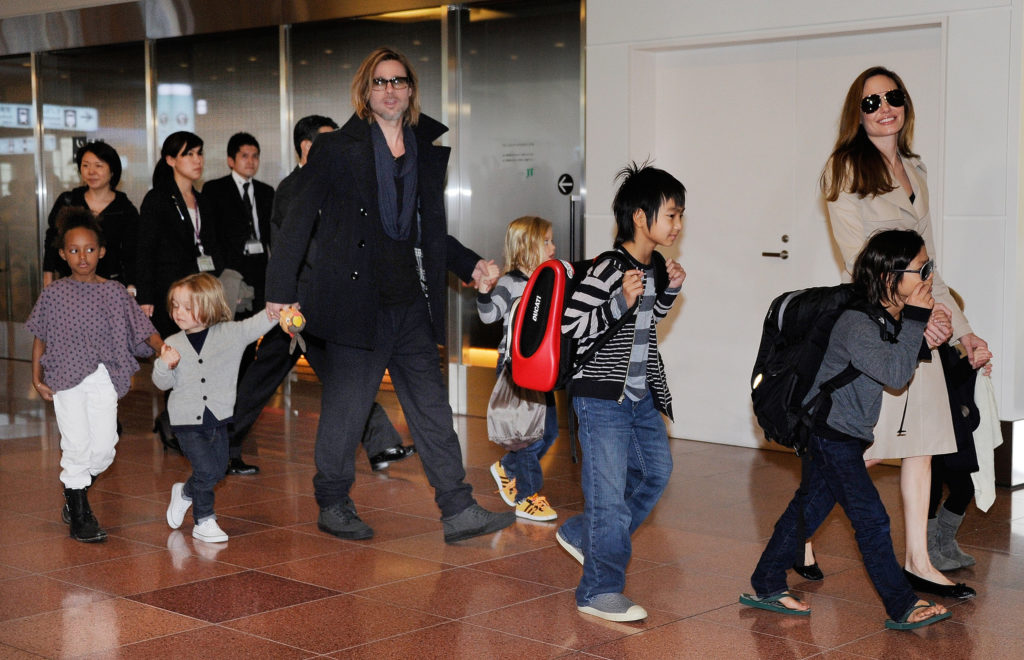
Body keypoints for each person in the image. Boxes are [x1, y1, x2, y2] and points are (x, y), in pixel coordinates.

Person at [265, 47, 513, 544]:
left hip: (409, 303)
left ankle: (458, 508)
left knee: (431, 408)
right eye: (380, 82)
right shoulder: (337, 147)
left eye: (399, 81)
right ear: (366, 91)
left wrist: (470, 264)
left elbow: (428, 229)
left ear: (410, 90)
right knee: (346, 407)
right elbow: (297, 220)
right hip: (356, 303)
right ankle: (333, 502)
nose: (391, 89)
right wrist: (280, 292)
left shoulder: (422, 147)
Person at [813, 65, 991, 598]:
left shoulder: (915, 169)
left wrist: (962, 331)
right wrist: (914, 311)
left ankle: (917, 558)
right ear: (857, 113)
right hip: (886, 325)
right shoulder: (843, 169)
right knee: (860, 447)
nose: (884, 107)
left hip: (924, 324)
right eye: (871, 102)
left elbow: (930, 264)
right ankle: (797, 531)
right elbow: (859, 262)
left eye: (892, 97)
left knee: (924, 444)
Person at [742, 229, 951, 631]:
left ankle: (766, 581)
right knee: (871, 519)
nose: (928, 277)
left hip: (844, 433)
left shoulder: (883, 316)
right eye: (921, 269)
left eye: (930, 267)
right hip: (829, 433)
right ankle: (902, 604)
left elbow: (894, 360)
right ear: (891, 277)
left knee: (807, 509)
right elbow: (895, 374)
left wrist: (920, 327)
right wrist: (917, 320)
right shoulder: (857, 321)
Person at [228, 115, 417, 476]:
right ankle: (220, 446)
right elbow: (294, 248)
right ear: (307, 147)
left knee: (339, 374)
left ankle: (380, 443)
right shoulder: (294, 187)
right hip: (297, 305)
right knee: (266, 376)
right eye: (332, 143)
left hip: (322, 302)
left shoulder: (334, 183)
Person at [554, 163, 686, 622]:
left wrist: (666, 293)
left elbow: (646, 327)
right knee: (608, 497)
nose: (678, 224)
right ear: (640, 217)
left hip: (640, 397)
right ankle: (599, 589)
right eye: (671, 215)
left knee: (655, 473)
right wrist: (618, 302)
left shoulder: (653, 267)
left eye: (680, 215)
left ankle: (581, 532)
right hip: (600, 399)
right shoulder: (608, 268)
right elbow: (575, 329)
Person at [27, 208, 163, 542]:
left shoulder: (115, 293)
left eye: (89, 249)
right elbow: (40, 336)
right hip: (64, 377)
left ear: (101, 251)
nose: (82, 257)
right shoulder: (54, 294)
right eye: (73, 250)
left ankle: (75, 494)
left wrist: (165, 348)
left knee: (104, 449)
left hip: (104, 375)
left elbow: (142, 328)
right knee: (76, 445)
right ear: (62, 254)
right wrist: (36, 377)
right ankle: (80, 513)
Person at [154, 273, 277, 543]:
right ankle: (204, 519)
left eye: (187, 307)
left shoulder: (229, 334)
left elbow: (257, 324)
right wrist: (165, 363)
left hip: (218, 418)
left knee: (218, 470)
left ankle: (185, 493)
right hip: (186, 422)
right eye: (175, 305)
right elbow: (161, 383)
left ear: (209, 306)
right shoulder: (173, 342)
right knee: (208, 471)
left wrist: (280, 311)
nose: (179, 312)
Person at [136, 131, 225, 451]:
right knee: (178, 357)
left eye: (200, 153)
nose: (197, 160)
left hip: (200, 293)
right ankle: (174, 420)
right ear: (171, 160)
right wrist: (145, 297)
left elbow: (211, 244)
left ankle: (185, 420)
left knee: (200, 356)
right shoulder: (158, 199)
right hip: (171, 293)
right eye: (189, 154)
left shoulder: (202, 200)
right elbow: (144, 250)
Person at [479, 216, 559, 522]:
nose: (553, 246)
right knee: (526, 436)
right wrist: (486, 290)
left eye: (552, 240)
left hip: (541, 368)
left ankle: (507, 469)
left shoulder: (548, 278)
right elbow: (488, 316)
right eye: (547, 241)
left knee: (548, 432)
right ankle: (527, 497)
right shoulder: (511, 283)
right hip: (516, 368)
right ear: (526, 246)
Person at [43, 141, 139, 289]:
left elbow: (132, 253)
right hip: (71, 284)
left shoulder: (124, 208)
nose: (91, 171)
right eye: (85, 165)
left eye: (98, 166)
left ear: (112, 171)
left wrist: (132, 286)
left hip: (111, 286)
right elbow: (52, 241)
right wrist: (47, 280)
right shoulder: (69, 201)